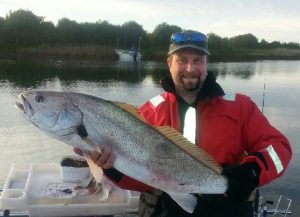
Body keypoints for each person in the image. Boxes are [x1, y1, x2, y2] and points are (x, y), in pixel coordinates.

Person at [74, 30, 292, 217]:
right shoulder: (147, 113)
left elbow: (279, 149)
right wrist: (112, 168)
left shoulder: (241, 107)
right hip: (168, 210)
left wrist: (253, 171)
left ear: (206, 64)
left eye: (197, 60)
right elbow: (145, 179)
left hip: (229, 207)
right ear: (169, 64)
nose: (190, 68)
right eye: (182, 60)